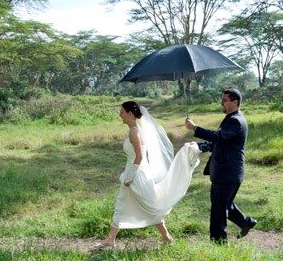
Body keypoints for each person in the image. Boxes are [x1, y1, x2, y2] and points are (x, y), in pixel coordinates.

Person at [97, 101, 201, 248]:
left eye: (122, 112)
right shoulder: (134, 130)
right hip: (133, 172)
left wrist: (130, 176)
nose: (120, 115)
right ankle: (111, 239)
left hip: (137, 175)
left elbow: (139, 156)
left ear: (130, 114)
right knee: (122, 203)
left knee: (149, 205)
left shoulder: (134, 132)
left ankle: (166, 236)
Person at [185, 88, 256, 243]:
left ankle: (219, 243)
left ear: (235, 102)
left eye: (224, 100)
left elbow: (219, 137)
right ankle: (245, 222)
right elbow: (221, 142)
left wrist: (195, 128)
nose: (221, 103)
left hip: (227, 173)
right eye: (221, 100)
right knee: (225, 204)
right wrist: (199, 146)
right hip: (227, 173)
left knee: (219, 209)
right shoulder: (231, 119)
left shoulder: (236, 120)